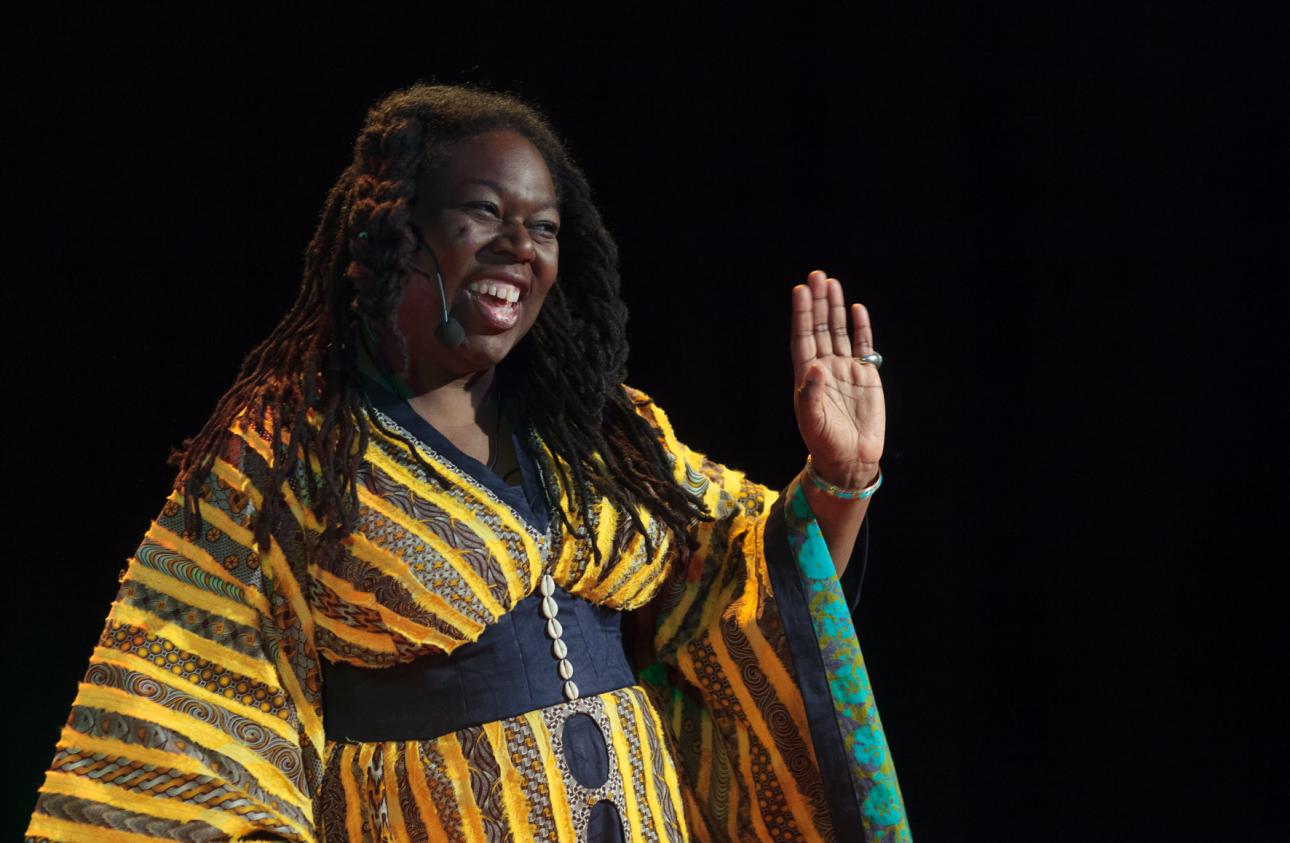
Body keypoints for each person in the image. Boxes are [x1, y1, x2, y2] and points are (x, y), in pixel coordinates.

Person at [26, 84, 910, 842]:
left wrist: (839, 477)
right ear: (392, 231)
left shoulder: (600, 429)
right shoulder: (286, 455)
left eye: (543, 226)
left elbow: (752, 599)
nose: (519, 247)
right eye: (482, 213)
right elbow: (178, 715)